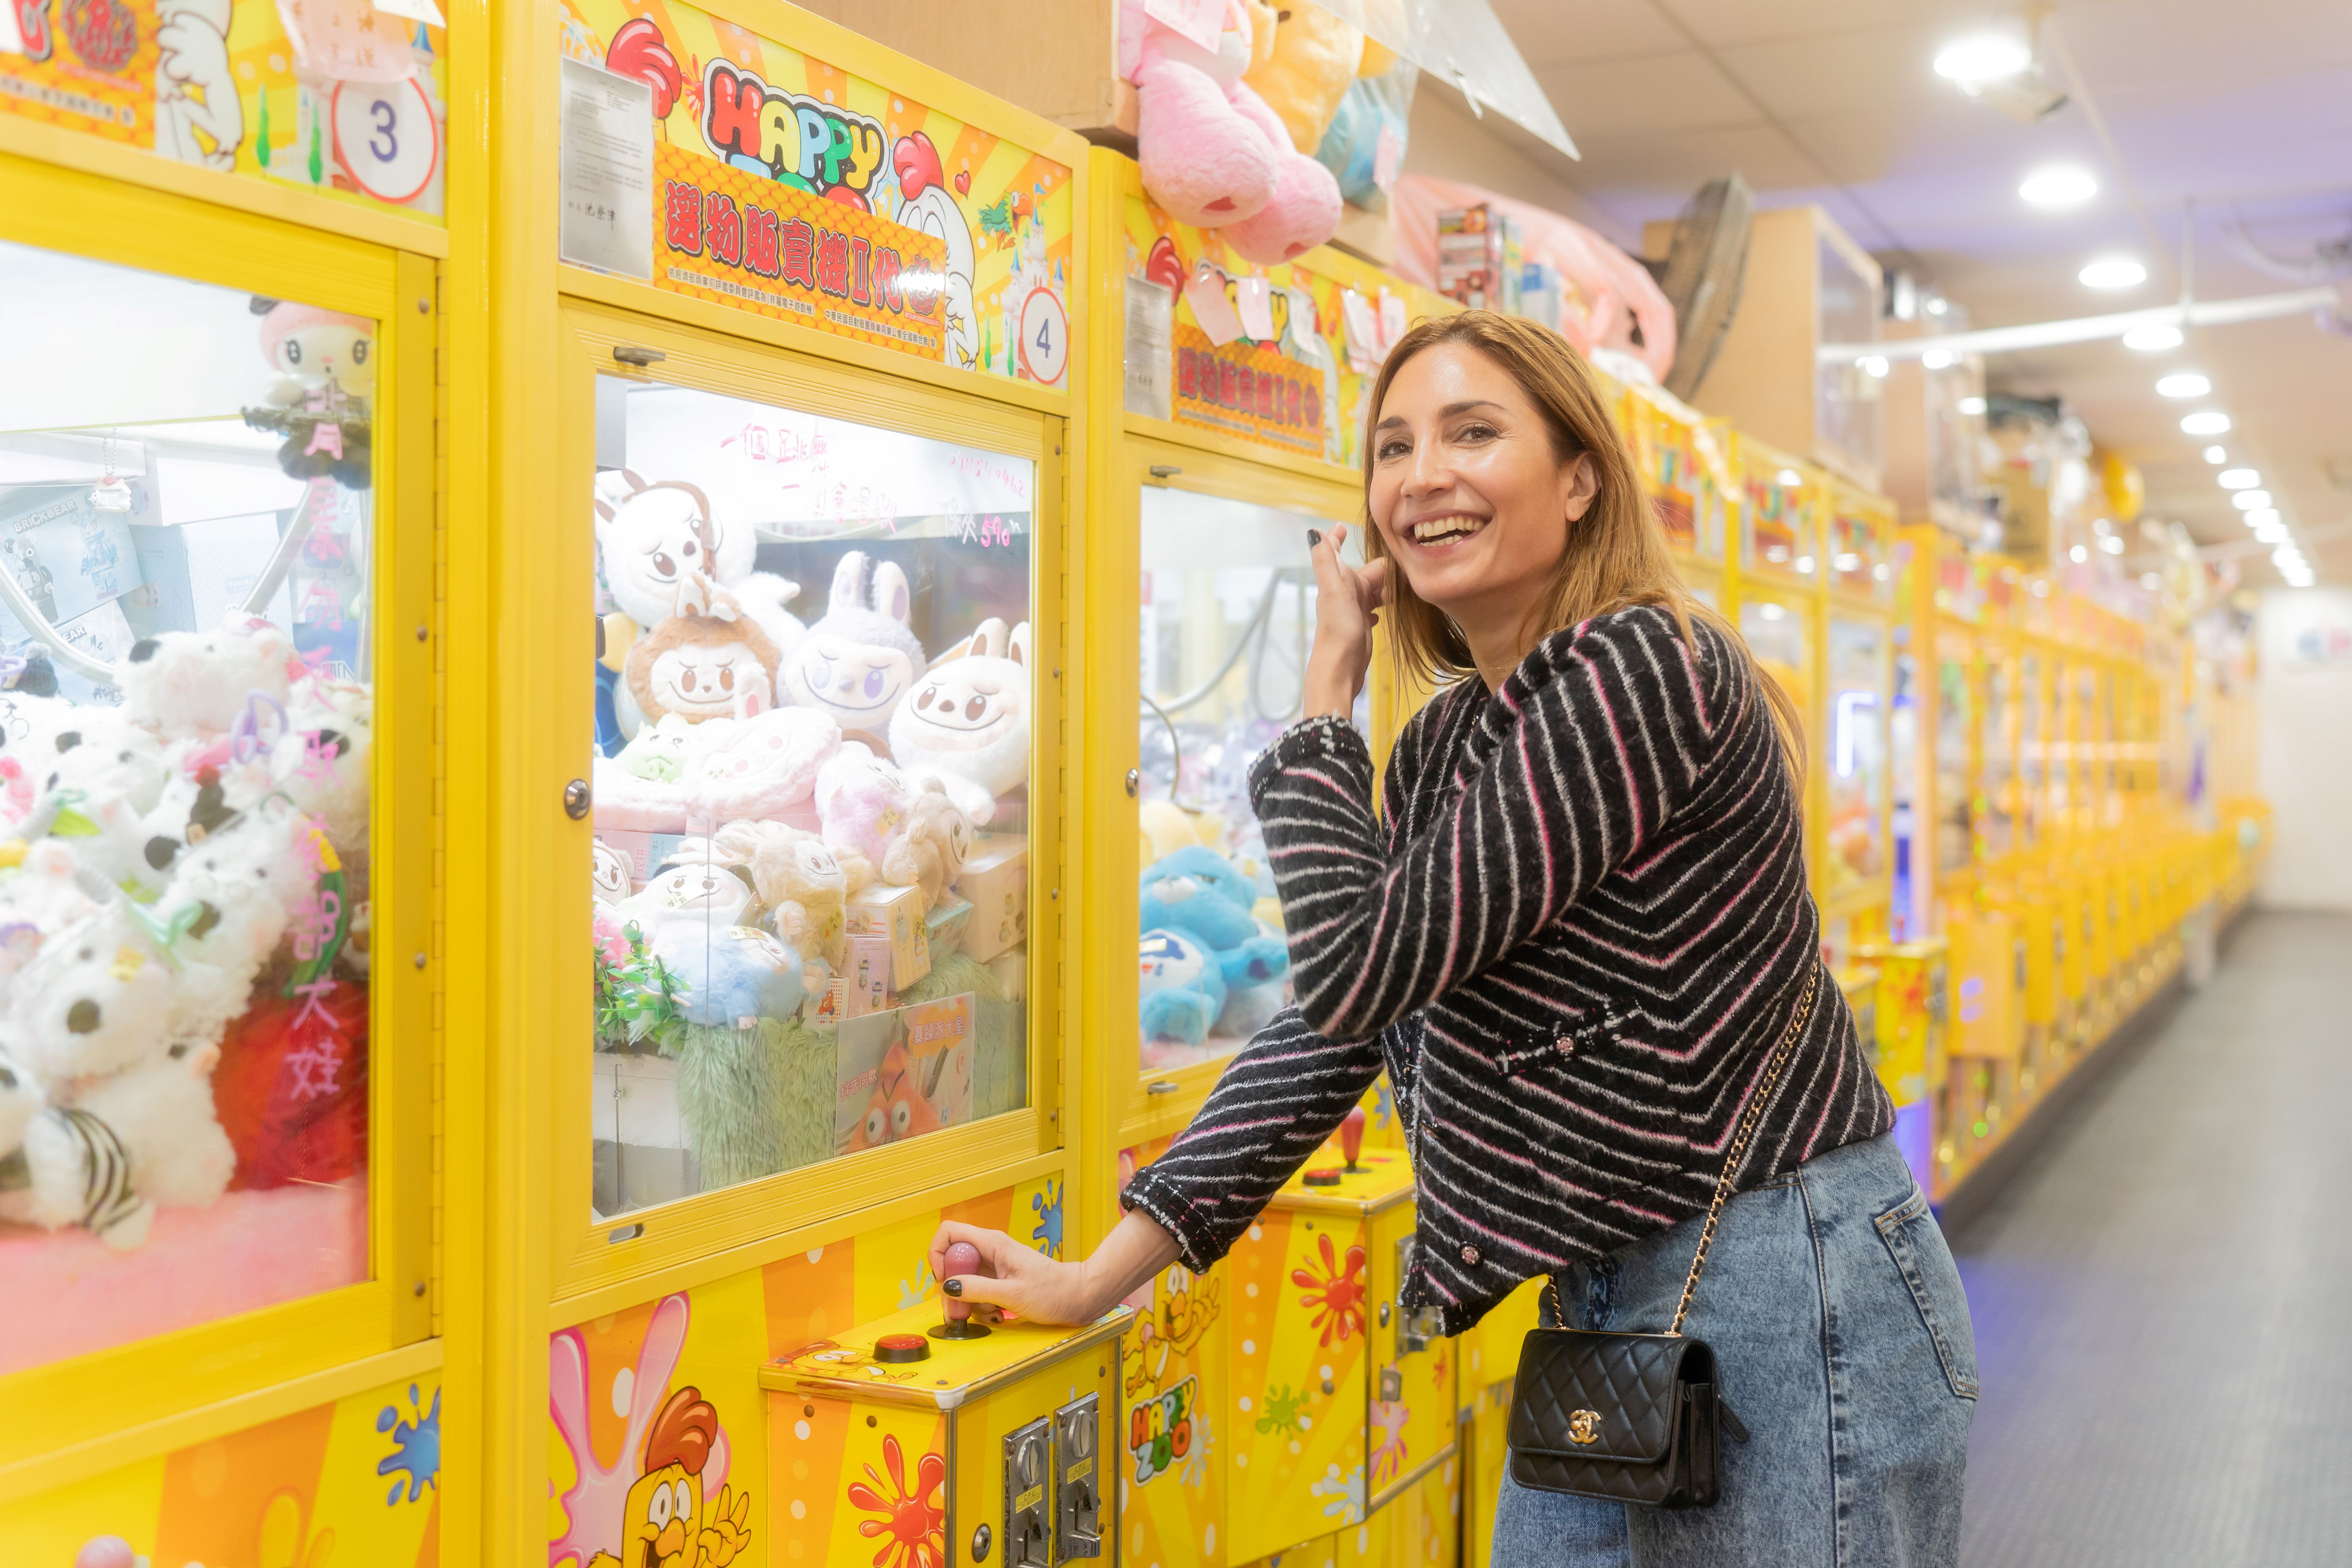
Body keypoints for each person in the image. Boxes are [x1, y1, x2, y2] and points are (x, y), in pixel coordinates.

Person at [930, 311, 1974, 1565]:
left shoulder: (1648, 667)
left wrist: (1326, 695)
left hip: (1784, 1284)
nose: (1423, 476)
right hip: (1610, 1295)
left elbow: (1363, 959)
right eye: (1394, 447)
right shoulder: (1447, 745)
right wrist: (1102, 1272)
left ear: (1580, 477)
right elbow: (1342, 1024)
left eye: (1475, 433)